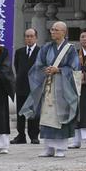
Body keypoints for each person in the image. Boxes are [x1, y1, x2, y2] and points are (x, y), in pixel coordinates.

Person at [25, 21, 80, 158]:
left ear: (64, 32)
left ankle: (61, 148)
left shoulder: (70, 49)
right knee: (47, 116)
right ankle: (48, 148)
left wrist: (59, 70)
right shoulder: (46, 47)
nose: (53, 32)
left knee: (60, 116)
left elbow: (75, 68)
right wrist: (45, 69)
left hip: (63, 88)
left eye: (56, 30)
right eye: (52, 29)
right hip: (48, 85)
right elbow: (38, 65)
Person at [12, 27, 40, 144]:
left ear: (36, 38)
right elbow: (17, 67)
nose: (29, 39)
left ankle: (34, 135)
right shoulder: (19, 52)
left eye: (31, 36)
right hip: (21, 86)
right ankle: (21, 135)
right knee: (20, 112)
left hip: (34, 87)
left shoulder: (40, 51)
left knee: (33, 112)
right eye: (27, 36)